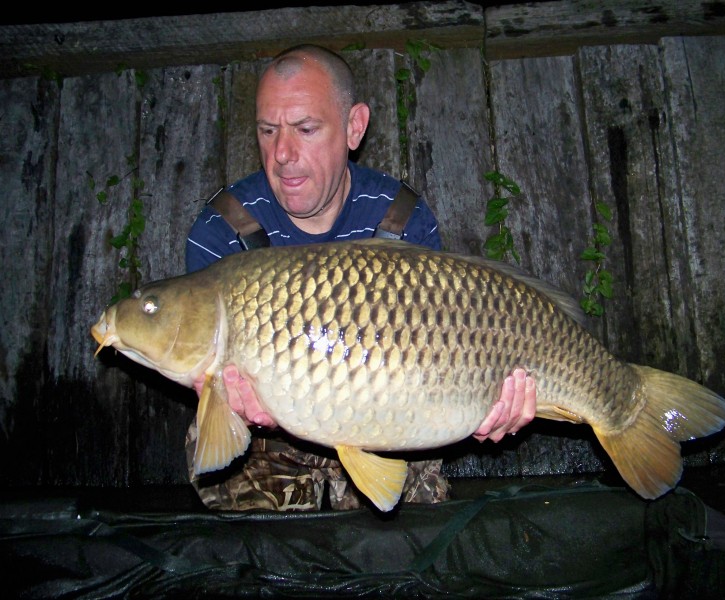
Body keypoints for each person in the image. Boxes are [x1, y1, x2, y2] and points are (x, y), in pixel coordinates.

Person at [184, 43, 537, 512]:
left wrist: (489, 401)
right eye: (268, 131)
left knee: (403, 534)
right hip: (267, 439)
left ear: (354, 127)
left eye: (306, 129)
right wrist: (223, 398)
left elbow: (446, 351)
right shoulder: (221, 229)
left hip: (388, 413)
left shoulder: (400, 218)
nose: (283, 153)